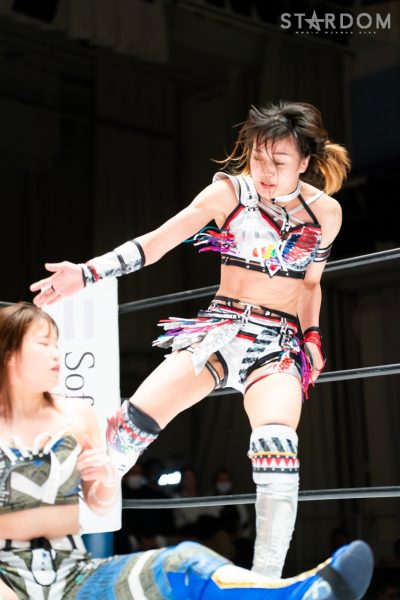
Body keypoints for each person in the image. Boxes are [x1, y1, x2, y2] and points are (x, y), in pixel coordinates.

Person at [30, 101, 349, 579]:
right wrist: (88, 273)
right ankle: (41, 548)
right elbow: (159, 240)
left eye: (279, 162)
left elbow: (310, 285)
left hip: (277, 346)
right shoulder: (230, 192)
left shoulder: (326, 212)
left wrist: (312, 337)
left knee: (278, 446)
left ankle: (264, 582)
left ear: (304, 161)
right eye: (257, 158)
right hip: (220, 330)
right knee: (126, 431)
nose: (264, 172)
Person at [0, 302, 374, 599]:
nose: (56, 353)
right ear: (11, 353)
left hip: (73, 577)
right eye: (43, 344)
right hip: (8, 576)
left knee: (184, 561)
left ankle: (294, 594)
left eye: (57, 343)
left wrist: (105, 481)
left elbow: (97, 506)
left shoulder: (76, 415)